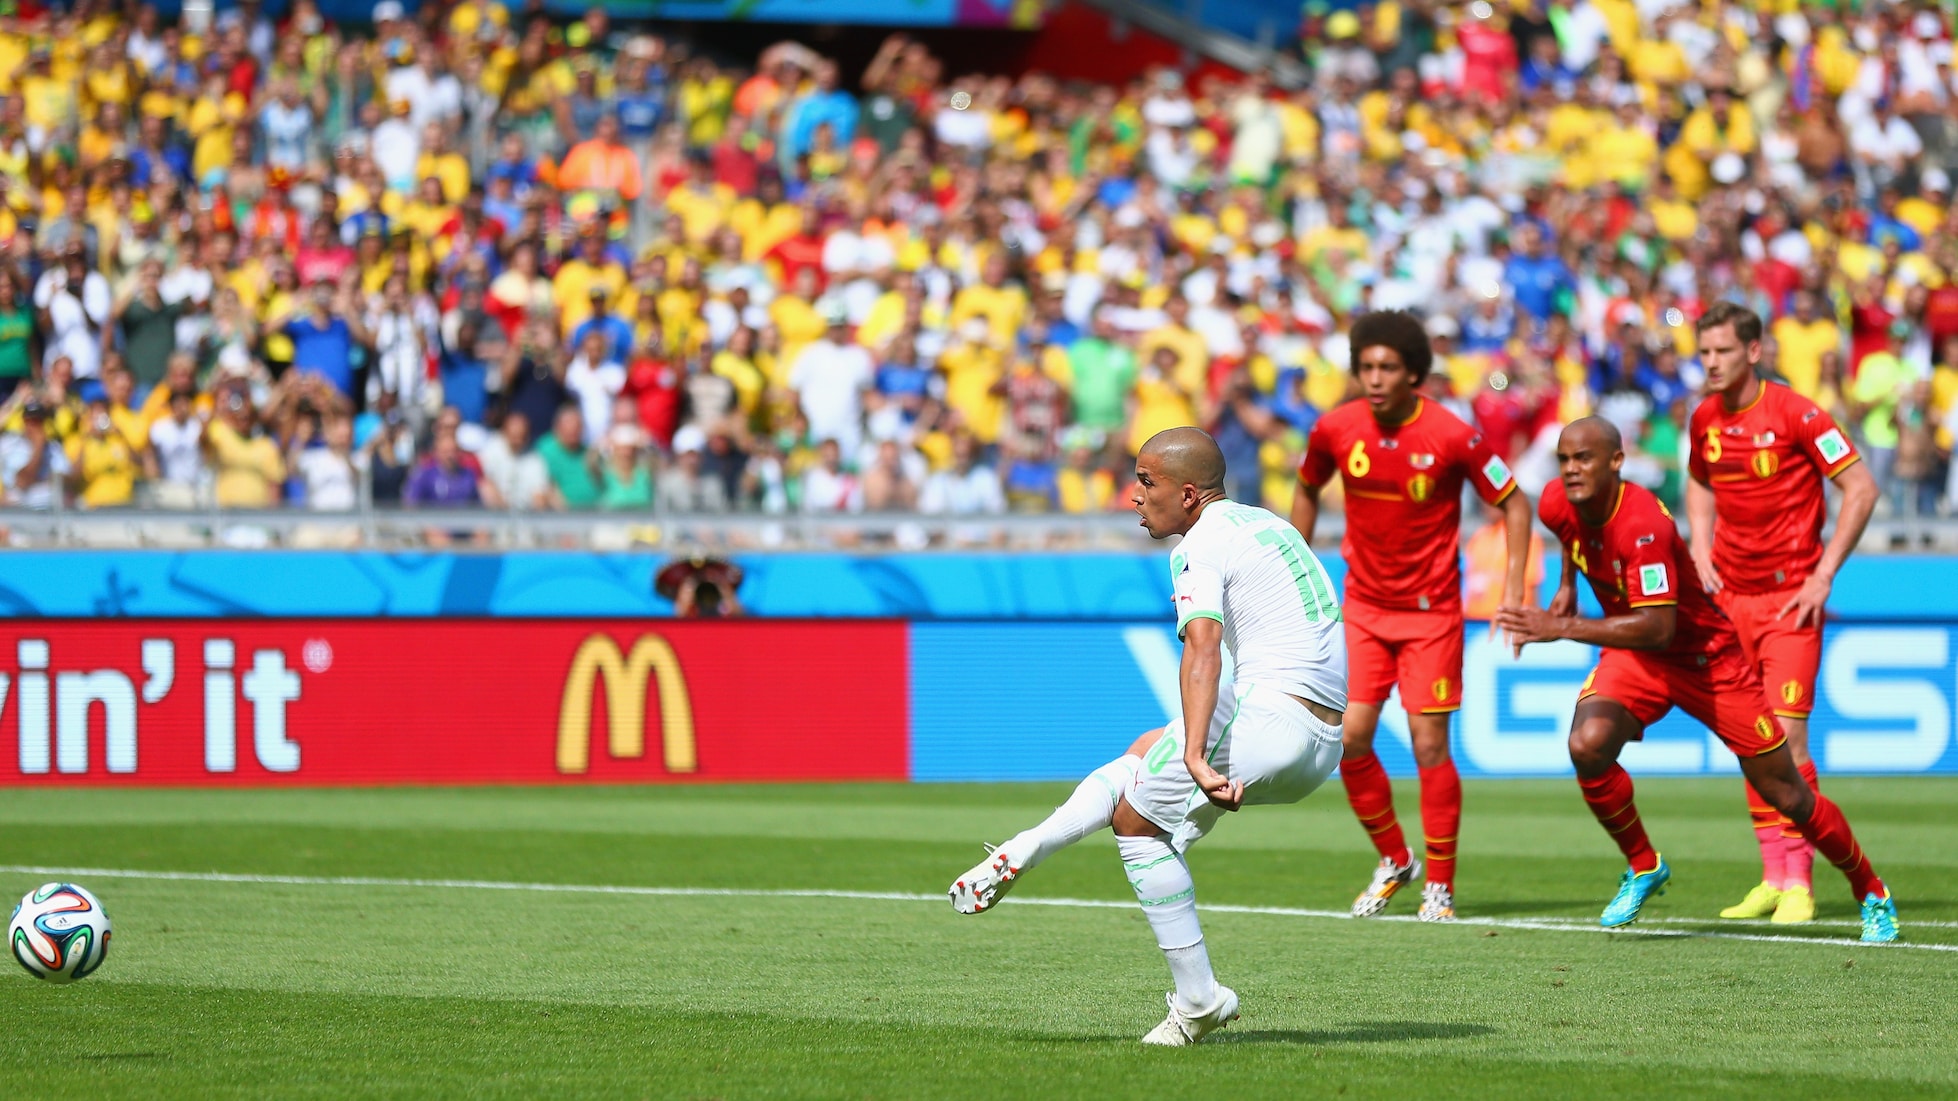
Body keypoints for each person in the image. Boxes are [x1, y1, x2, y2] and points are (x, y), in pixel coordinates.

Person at [949, 427, 1347, 1046]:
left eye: (1145, 482)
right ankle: (1030, 846)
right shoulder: (1266, 524)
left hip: (1271, 723)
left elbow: (1204, 648)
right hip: (1322, 740)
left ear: (1188, 494)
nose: (1134, 495)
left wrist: (1193, 753)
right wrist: (1185, 746)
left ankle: (1199, 1001)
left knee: (1136, 824)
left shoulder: (1199, 546)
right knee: (1144, 749)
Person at [1496, 418, 1899, 943]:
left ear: (1617, 462)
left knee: (1788, 794)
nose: (1572, 470)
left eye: (1584, 459)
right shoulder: (1557, 500)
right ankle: (1644, 866)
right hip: (1635, 655)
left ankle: (1872, 891)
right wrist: (1568, 584)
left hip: (1706, 661)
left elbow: (1659, 628)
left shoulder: (1644, 528)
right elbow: (1567, 535)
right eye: (1564, 459)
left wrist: (1560, 626)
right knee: (1587, 744)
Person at [1292, 309, 1534, 922]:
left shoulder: (1453, 435)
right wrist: (1292, 567)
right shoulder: (1335, 429)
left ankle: (1441, 887)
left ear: (1414, 374)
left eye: (1388, 368)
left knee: (1429, 744)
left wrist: (1512, 591)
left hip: (1431, 615)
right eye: (1366, 366)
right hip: (1366, 610)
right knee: (1349, 739)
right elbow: (1305, 487)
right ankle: (1395, 859)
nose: (1374, 378)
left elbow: (1514, 504)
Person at [1684, 303, 1879, 925]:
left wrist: (1824, 575)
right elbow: (1698, 481)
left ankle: (1800, 881)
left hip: (1790, 598)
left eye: (1721, 350)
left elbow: (1862, 487)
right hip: (1729, 600)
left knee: (1787, 738)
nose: (1711, 362)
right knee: (1751, 739)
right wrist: (1697, 543)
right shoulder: (1705, 420)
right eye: (1704, 351)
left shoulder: (1797, 413)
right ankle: (1772, 874)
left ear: (1753, 351)